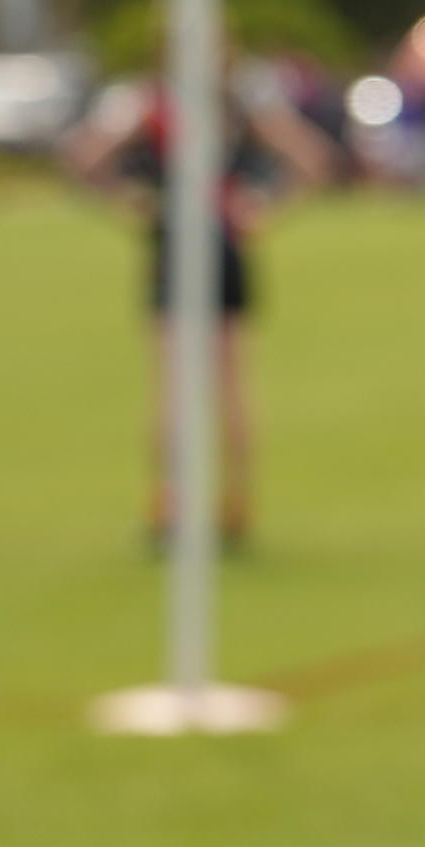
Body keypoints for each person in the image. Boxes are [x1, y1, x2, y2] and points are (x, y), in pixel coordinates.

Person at [63, 58, 338, 549]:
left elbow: (85, 156)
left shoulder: (157, 101)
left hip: (179, 240)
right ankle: (234, 502)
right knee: (229, 381)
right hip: (223, 240)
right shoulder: (235, 101)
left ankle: (171, 503)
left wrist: (128, 201)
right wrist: (262, 208)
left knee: (176, 383)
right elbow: (312, 157)